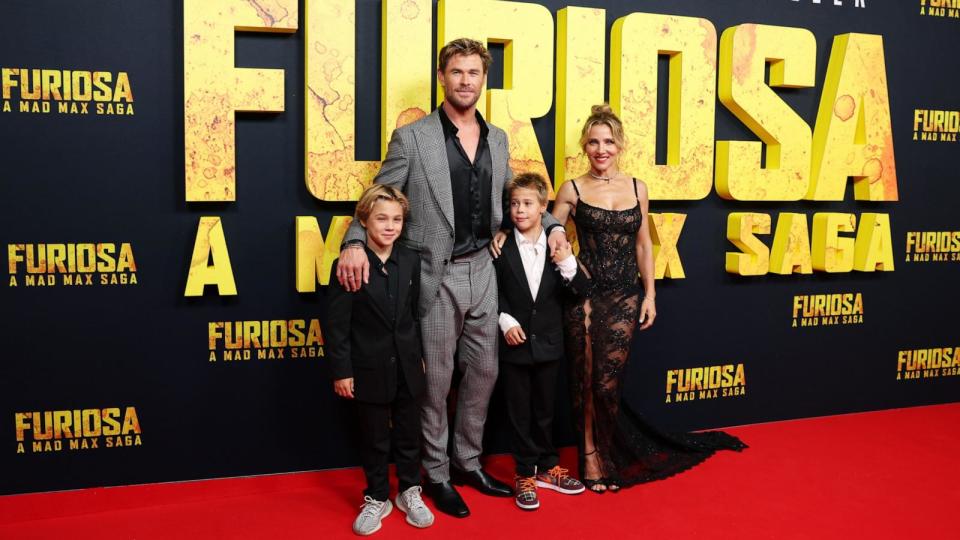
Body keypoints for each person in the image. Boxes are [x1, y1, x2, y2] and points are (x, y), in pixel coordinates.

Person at [335, 38, 568, 518]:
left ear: (484, 80)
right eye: (457, 72)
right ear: (442, 77)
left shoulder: (498, 138)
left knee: (484, 374)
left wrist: (554, 226)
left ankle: (467, 461)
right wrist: (354, 242)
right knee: (436, 382)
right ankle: (436, 474)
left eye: (474, 73)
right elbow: (380, 193)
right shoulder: (414, 137)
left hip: (484, 268)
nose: (466, 81)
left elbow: (518, 198)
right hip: (433, 275)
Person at [550, 104, 746, 493]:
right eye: (593, 142)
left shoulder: (638, 187)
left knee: (607, 384)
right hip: (584, 295)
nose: (601, 149)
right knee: (583, 381)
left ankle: (607, 452)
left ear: (620, 145)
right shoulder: (572, 188)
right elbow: (549, 229)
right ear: (584, 147)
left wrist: (650, 294)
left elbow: (644, 245)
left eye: (608, 141)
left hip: (625, 293)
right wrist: (528, 231)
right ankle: (590, 457)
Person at [326, 185, 434, 535]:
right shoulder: (348, 264)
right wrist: (342, 371)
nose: (390, 226)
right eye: (381, 218)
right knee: (374, 437)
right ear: (364, 220)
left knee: (408, 434)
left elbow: (413, 316)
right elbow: (337, 325)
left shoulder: (411, 260)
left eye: (397, 219)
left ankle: (409, 491)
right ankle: (376, 497)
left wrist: (417, 357)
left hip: (407, 363)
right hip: (367, 366)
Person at [494, 173, 588, 510]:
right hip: (513, 344)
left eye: (528, 204)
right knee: (518, 412)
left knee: (546, 410)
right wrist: (504, 321)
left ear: (543, 208)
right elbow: (492, 293)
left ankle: (548, 467)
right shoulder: (500, 246)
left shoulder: (557, 244)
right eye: (514, 204)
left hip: (549, 342)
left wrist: (565, 260)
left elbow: (580, 290)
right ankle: (524, 473)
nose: (519, 210)